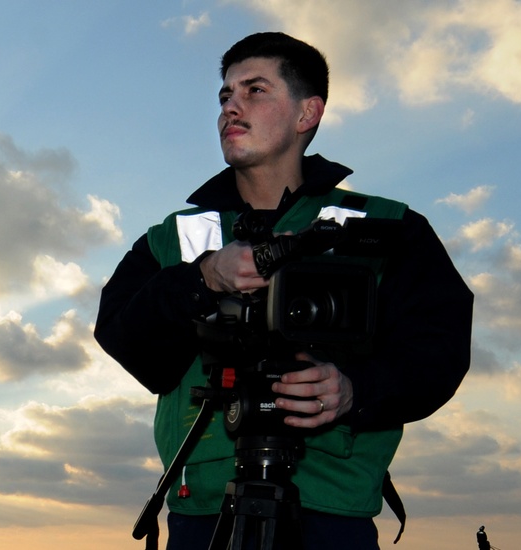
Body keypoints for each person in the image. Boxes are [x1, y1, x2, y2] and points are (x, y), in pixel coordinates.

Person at [94, 32, 473, 550]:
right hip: (202, 506)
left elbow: (439, 349)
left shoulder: (388, 227)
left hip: (330, 505)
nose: (231, 107)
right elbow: (125, 340)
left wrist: (355, 388)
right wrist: (201, 278)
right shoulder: (173, 237)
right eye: (225, 95)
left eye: (255, 91)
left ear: (306, 113)